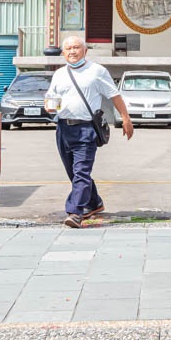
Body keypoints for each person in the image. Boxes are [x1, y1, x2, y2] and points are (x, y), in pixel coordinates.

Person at [45, 36, 134, 229]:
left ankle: (75, 212)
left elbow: (114, 95)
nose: (72, 51)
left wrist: (125, 118)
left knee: (81, 172)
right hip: (63, 128)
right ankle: (95, 203)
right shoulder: (59, 74)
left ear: (85, 51)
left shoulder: (97, 71)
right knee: (74, 172)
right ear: (63, 53)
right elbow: (51, 98)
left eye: (76, 47)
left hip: (86, 129)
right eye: (68, 48)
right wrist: (49, 106)